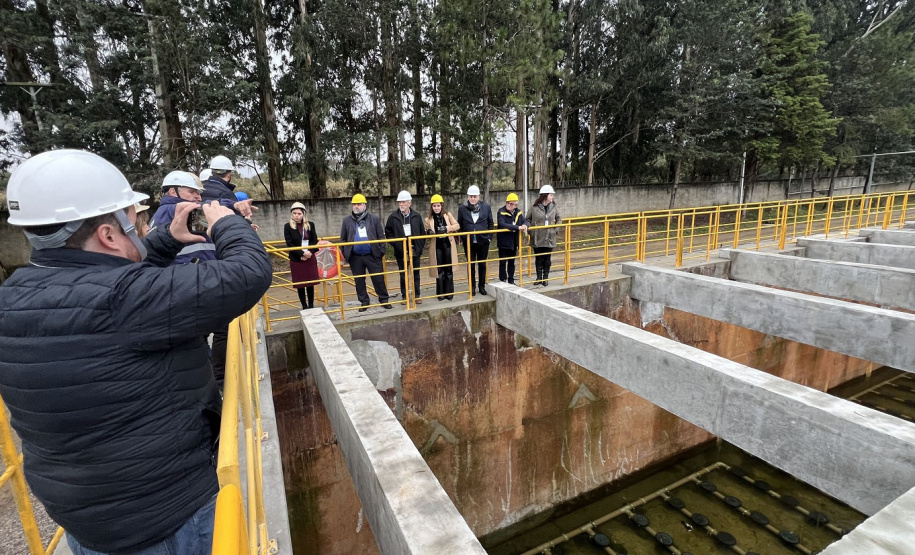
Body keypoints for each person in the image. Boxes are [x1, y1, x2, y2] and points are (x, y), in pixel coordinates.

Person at [0, 149, 272, 555]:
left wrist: (163, 240)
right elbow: (249, 273)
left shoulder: (12, 296)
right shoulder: (124, 300)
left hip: (88, 519)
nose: (143, 228)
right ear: (109, 235)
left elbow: (113, 280)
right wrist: (229, 225)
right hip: (167, 519)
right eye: (137, 221)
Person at [150, 170, 217, 265]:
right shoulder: (179, 210)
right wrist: (234, 205)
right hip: (193, 272)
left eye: (198, 193)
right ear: (173, 192)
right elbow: (210, 210)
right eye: (192, 192)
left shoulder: (161, 212)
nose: (199, 198)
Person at [340, 193, 392, 312]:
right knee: (359, 280)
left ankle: (384, 299)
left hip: (372, 255)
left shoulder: (373, 219)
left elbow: (381, 236)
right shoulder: (347, 220)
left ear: (364, 205)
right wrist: (345, 253)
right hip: (355, 257)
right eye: (354, 204)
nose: (356, 207)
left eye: (359, 204)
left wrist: (381, 250)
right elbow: (343, 239)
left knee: (378, 278)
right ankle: (364, 301)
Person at [385, 191, 426, 304]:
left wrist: (420, 246)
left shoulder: (416, 216)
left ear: (409, 203)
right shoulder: (393, 217)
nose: (401, 204)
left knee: (416, 273)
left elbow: (422, 233)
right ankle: (405, 296)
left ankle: (417, 295)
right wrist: (397, 245)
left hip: (415, 250)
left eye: (403, 202)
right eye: (400, 202)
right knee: (403, 274)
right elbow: (388, 233)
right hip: (401, 251)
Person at [456, 185, 494, 296]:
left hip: (483, 241)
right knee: (470, 265)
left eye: (475, 196)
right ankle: (471, 287)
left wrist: (489, 238)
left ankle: (481, 286)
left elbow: (490, 223)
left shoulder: (486, 207)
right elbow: (460, 224)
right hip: (469, 242)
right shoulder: (462, 208)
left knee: (482, 265)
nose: (473, 198)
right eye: (471, 196)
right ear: (468, 196)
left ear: (478, 196)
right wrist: (462, 239)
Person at [424, 194, 460, 300]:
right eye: (434, 206)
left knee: (448, 269)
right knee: (439, 270)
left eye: (438, 206)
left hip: (448, 245)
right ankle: (440, 294)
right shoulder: (428, 219)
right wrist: (429, 232)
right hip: (436, 247)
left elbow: (457, 225)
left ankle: (449, 293)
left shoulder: (447, 215)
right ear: (432, 207)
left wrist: (446, 228)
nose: (436, 208)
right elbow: (426, 231)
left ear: (441, 206)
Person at [284, 201, 319, 310]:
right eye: (294, 213)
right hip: (297, 259)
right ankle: (304, 306)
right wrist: (302, 254)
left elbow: (314, 241)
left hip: (309, 258)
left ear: (303, 214)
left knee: (310, 283)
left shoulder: (310, 225)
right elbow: (290, 244)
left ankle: (311, 305)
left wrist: (309, 253)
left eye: (299, 213)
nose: (296, 216)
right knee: (300, 284)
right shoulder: (288, 226)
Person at [529, 184, 562, 286]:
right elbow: (527, 219)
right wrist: (531, 231)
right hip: (537, 237)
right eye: (551, 195)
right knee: (538, 258)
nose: (552, 197)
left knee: (547, 259)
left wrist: (555, 230)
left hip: (549, 237)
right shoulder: (534, 207)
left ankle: (545, 278)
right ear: (545, 196)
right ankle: (539, 277)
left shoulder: (554, 207)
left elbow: (559, 219)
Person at [496, 192, 529, 284]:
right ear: (509, 204)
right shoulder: (501, 212)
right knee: (502, 262)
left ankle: (511, 279)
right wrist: (518, 227)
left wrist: (525, 225)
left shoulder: (518, 212)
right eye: (514, 204)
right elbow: (503, 224)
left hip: (514, 242)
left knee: (511, 262)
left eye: (516, 204)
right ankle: (502, 280)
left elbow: (526, 221)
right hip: (503, 242)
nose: (516, 206)